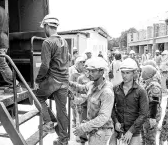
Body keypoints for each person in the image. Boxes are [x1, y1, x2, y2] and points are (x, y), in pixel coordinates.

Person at [34, 14, 69, 145]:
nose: (44, 29)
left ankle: (48, 123)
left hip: (54, 80)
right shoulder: (64, 41)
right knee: (62, 110)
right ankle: (63, 140)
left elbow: (44, 66)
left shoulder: (47, 42)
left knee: (38, 97)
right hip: (64, 80)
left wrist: (38, 80)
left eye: (44, 27)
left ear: (47, 26)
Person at [69, 57, 114, 145]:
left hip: (101, 132)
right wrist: (67, 83)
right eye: (89, 71)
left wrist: (83, 127)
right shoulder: (92, 84)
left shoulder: (106, 92)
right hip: (93, 130)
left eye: (93, 71)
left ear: (101, 72)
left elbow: (103, 117)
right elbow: (80, 88)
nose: (89, 74)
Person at [110, 58, 149, 145]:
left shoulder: (141, 91)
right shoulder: (116, 89)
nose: (124, 75)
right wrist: (115, 122)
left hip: (134, 130)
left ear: (134, 73)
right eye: (123, 72)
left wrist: (131, 131)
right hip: (118, 129)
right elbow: (111, 108)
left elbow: (144, 114)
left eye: (127, 73)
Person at [140, 65, 162, 145]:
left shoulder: (154, 85)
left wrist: (152, 118)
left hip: (150, 117)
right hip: (145, 116)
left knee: (150, 140)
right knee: (144, 138)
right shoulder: (148, 83)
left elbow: (154, 102)